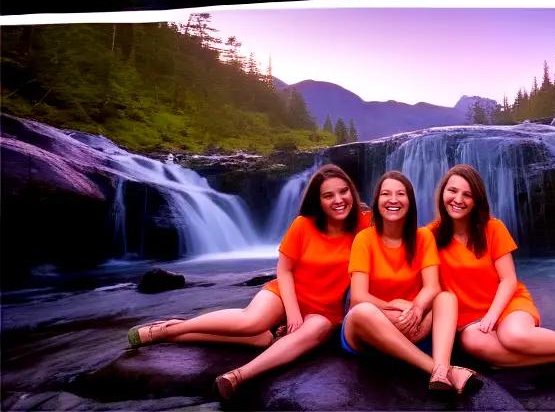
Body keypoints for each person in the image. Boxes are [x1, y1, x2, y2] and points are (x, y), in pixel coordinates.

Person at [126, 164, 371, 403]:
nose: (338, 199)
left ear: (352, 191)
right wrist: (293, 310)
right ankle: (171, 329)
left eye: (343, 191)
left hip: (326, 311)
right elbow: (284, 270)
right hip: (287, 294)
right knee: (252, 323)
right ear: (318, 201)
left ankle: (238, 376)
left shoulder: (364, 223)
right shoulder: (303, 225)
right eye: (328, 195)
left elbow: (398, 231)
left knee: (296, 334)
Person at [430, 164, 555, 378]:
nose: (458, 200)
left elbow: (508, 279)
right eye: (452, 191)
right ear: (442, 192)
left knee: (514, 336)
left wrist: (492, 315)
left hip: (506, 303)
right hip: (468, 320)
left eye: (467, 195)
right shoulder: (429, 237)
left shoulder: (493, 228)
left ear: (477, 201)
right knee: (472, 342)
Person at [341, 169, 483, 395]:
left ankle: (438, 367)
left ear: (410, 202)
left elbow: (432, 287)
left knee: (446, 298)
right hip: (369, 329)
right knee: (363, 311)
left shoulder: (423, 237)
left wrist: (417, 307)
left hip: (412, 325)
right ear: (377, 201)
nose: (393, 200)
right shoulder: (364, 239)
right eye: (386, 194)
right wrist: (396, 305)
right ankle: (441, 370)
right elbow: (358, 297)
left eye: (401, 194)